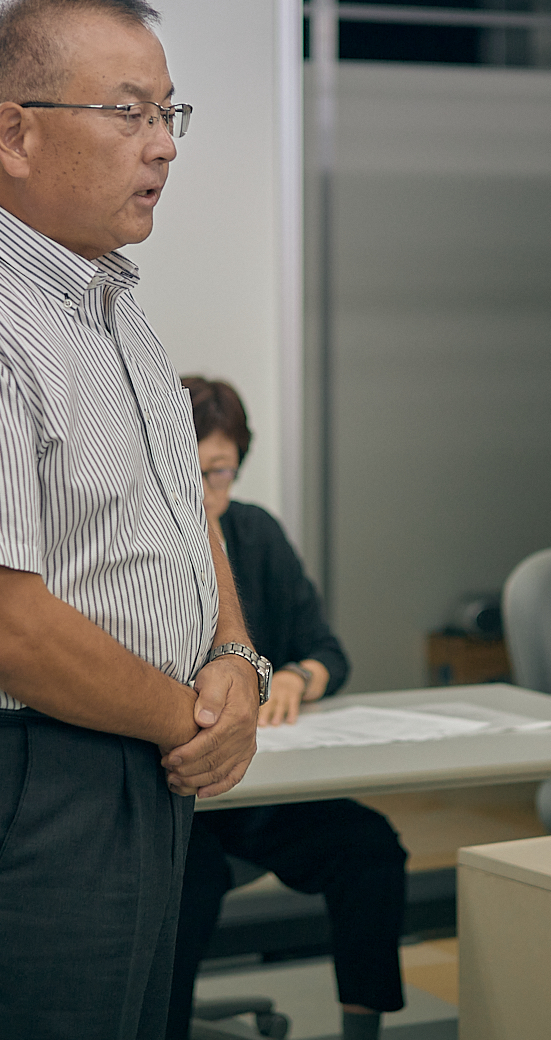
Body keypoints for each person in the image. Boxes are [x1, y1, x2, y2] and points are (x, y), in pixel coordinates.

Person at [0, 0, 269, 1040]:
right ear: (16, 134)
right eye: (129, 111)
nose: (163, 144)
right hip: (20, 775)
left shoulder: (110, 309)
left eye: (169, 112)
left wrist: (234, 658)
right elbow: (7, 627)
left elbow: (186, 511)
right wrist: (198, 721)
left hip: (132, 754)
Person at [166, 377, 408, 1040]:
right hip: (178, 793)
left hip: (259, 785)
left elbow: (327, 648)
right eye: (197, 470)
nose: (212, 488)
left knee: (370, 849)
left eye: (223, 470)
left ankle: (362, 1028)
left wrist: (301, 675)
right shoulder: (143, 551)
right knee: (188, 881)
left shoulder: (255, 532)